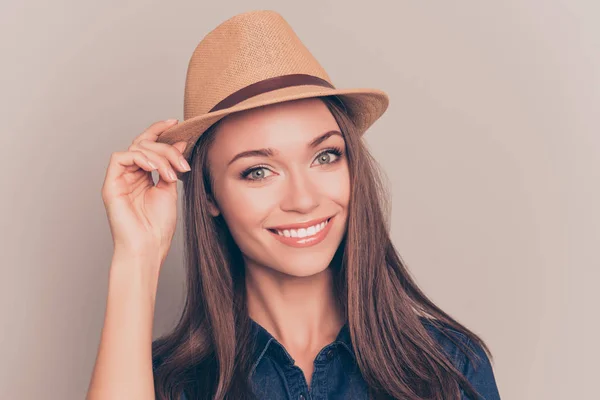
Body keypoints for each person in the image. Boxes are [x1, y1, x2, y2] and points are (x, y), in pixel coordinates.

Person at [87, 10, 501, 400]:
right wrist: (137, 256)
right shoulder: (164, 383)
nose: (303, 200)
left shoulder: (448, 365)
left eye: (325, 156)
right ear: (210, 196)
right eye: (258, 171)